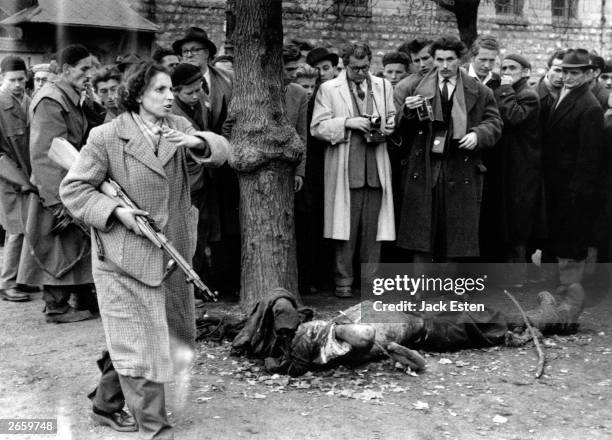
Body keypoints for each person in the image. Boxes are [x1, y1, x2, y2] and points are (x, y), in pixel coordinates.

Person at [60, 61, 230, 439]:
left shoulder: (179, 129)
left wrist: (198, 142)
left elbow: (222, 151)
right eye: (160, 90)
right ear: (138, 94)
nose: (170, 97)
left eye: (172, 90)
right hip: (124, 254)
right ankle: (155, 428)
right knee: (139, 341)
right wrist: (116, 211)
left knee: (165, 333)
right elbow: (74, 190)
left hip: (173, 252)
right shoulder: (106, 137)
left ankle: (105, 404)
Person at [394, 36, 502, 262]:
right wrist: (408, 112)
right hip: (425, 166)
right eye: (439, 60)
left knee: (458, 230)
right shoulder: (414, 87)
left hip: (461, 164)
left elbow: (494, 123)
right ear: (433, 59)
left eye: (450, 60)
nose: (444, 66)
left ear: (460, 60)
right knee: (422, 229)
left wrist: (477, 134)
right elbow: (398, 131)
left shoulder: (480, 91)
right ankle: (420, 287)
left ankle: (456, 288)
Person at [311, 42, 396, 298]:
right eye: (355, 68)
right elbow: (318, 127)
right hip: (347, 167)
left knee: (374, 231)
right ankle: (343, 282)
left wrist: (390, 124)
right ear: (344, 65)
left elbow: (391, 113)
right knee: (344, 231)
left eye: (365, 67)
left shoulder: (383, 85)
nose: (361, 72)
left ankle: (371, 283)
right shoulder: (329, 89)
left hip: (376, 168)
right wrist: (348, 122)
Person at [21, 45, 96, 323]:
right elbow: (44, 153)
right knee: (55, 249)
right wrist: (56, 200)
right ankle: (56, 307)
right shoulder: (51, 100)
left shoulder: (70, 96)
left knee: (72, 247)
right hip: (54, 189)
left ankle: (79, 297)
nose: (89, 75)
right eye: (83, 69)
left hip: (69, 184)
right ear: (65, 70)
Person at [542, 49, 605, 292]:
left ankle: (570, 290)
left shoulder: (589, 106)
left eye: (574, 72)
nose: (568, 76)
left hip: (571, 188)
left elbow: (589, 158)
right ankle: (557, 287)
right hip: (556, 183)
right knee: (558, 235)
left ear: (589, 74)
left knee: (570, 238)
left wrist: (577, 193)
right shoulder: (564, 95)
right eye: (565, 71)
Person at [493, 54, 541, 284]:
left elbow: (513, 116)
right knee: (507, 218)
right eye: (503, 67)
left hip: (522, 167)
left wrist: (504, 89)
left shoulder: (528, 95)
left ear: (526, 72)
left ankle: (517, 275)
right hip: (509, 165)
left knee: (518, 220)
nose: (507, 71)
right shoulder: (512, 91)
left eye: (512, 67)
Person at [0, 56, 32, 302]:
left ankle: (24, 279)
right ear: (2, 78)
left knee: (30, 228)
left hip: (28, 176)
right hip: (9, 178)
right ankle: (7, 283)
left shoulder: (28, 101)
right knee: (16, 230)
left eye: (21, 79)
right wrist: (18, 179)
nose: (17, 84)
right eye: (12, 80)